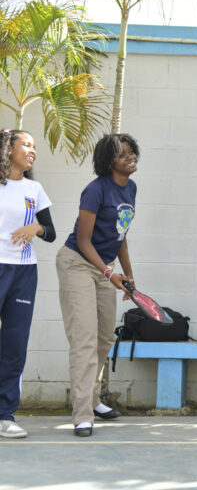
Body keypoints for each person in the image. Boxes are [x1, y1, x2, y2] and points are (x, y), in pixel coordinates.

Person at [56, 134, 140, 437]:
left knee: (105, 337)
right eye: (122, 154)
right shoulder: (95, 190)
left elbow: (121, 233)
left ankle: (92, 398)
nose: (130, 157)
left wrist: (128, 275)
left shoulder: (130, 188)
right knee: (84, 340)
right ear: (108, 162)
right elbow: (83, 240)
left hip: (105, 268)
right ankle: (82, 414)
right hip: (78, 263)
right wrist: (108, 274)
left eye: (132, 152)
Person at [0, 129, 55, 439]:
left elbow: (51, 231)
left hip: (23, 272)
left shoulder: (34, 189)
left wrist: (36, 227)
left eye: (35, 146)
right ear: (8, 147)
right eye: (27, 144)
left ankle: (5, 415)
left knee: (14, 344)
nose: (33, 150)